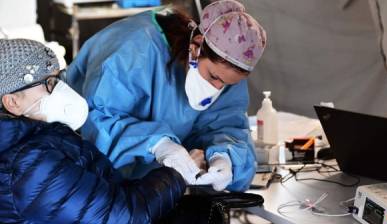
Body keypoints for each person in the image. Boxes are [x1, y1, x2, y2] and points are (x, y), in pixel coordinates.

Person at [67, 0, 267, 191]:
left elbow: (227, 124)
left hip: (157, 191)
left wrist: (226, 156)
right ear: (196, 48)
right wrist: (156, 144)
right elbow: (97, 121)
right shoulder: (133, 52)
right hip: (93, 183)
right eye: (213, 76)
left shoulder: (225, 72)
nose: (217, 87)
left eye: (226, 84)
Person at [0, 38, 186, 224]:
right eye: (49, 83)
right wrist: (176, 175)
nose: (61, 90)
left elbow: (106, 196)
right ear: (12, 102)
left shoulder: (40, 138)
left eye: (60, 78)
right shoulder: (27, 166)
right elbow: (124, 219)